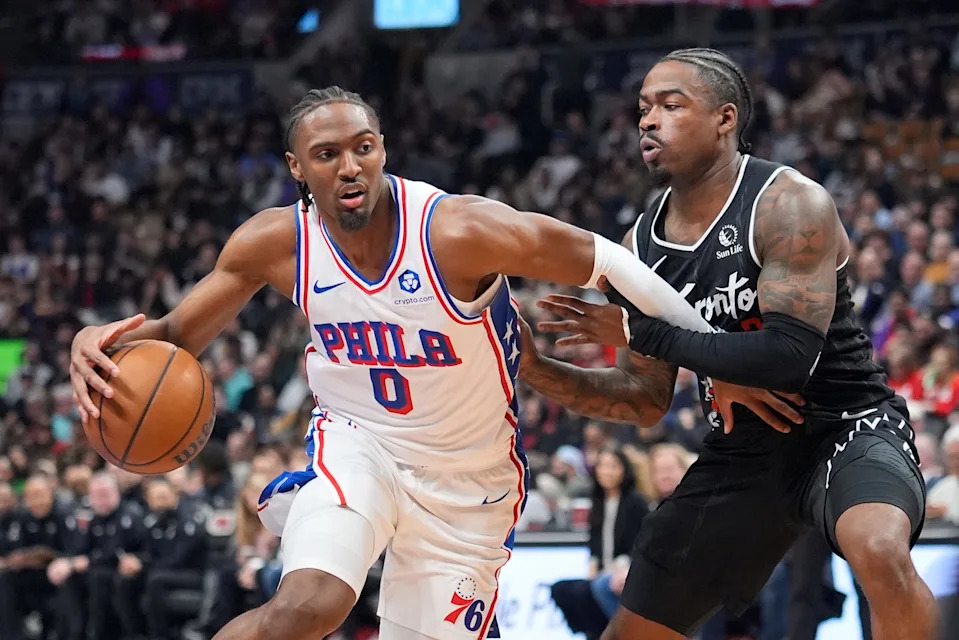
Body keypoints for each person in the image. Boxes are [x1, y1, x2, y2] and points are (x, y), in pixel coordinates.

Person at [68, 86, 792, 640]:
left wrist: (711, 356)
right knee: (306, 607)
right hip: (358, 447)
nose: (350, 166)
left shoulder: (456, 230)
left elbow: (606, 258)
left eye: (363, 147)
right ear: (297, 169)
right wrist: (93, 341)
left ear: (382, 147)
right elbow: (169, 338)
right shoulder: (273, 243)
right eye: (327, 155)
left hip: (467, 489)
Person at [519, 48, 936, 640]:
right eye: (642, 108)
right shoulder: (639, 246)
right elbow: (642, 399)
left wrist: (645, 331)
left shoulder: (790, 202)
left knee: (879, 551)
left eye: (671, 104)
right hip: (743, 447)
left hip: (846, 422)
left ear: (725, 118)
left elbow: (788, 354)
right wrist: (536, 368)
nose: (647, 119)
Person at [551, 446, 648, 639]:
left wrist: (620, 567)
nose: (607, 471)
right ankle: (593, 632)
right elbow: (594, 545)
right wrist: (593, 567)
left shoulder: (636, 502)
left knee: (600, 587)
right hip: (602, 573)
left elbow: (641, 542)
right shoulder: (597, 501)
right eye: (603, 466)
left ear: (624, 469)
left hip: (626, 573)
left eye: (613, 466)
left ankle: (627, 633)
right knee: (562, 589)